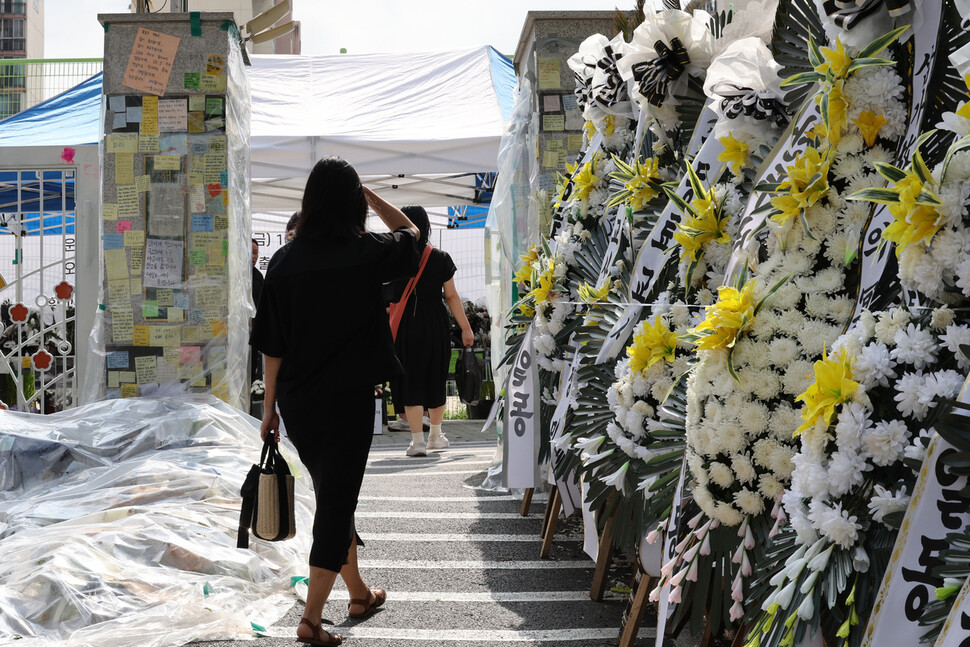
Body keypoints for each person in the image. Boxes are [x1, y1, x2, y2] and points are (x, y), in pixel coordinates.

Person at [252, 157, 419, 646]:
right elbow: (412, 232)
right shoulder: (365, 252)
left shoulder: (283, 262)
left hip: (300, 405)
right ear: (352, 203)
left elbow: (272, 345)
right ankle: (311, 619)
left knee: (333, 494)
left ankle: (360, 592)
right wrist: (369, 194)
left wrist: (269, 408)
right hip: (347, 401)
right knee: (336, 500)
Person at [390, 205, 474, 457]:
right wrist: (465, 327)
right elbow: (451, 296)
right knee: (436, 376)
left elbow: (387, 299)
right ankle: (435, 436)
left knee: (410, 379)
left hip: (406, 326)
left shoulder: (394, 258)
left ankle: (417, 441)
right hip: (435, 324)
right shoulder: (440, 258)